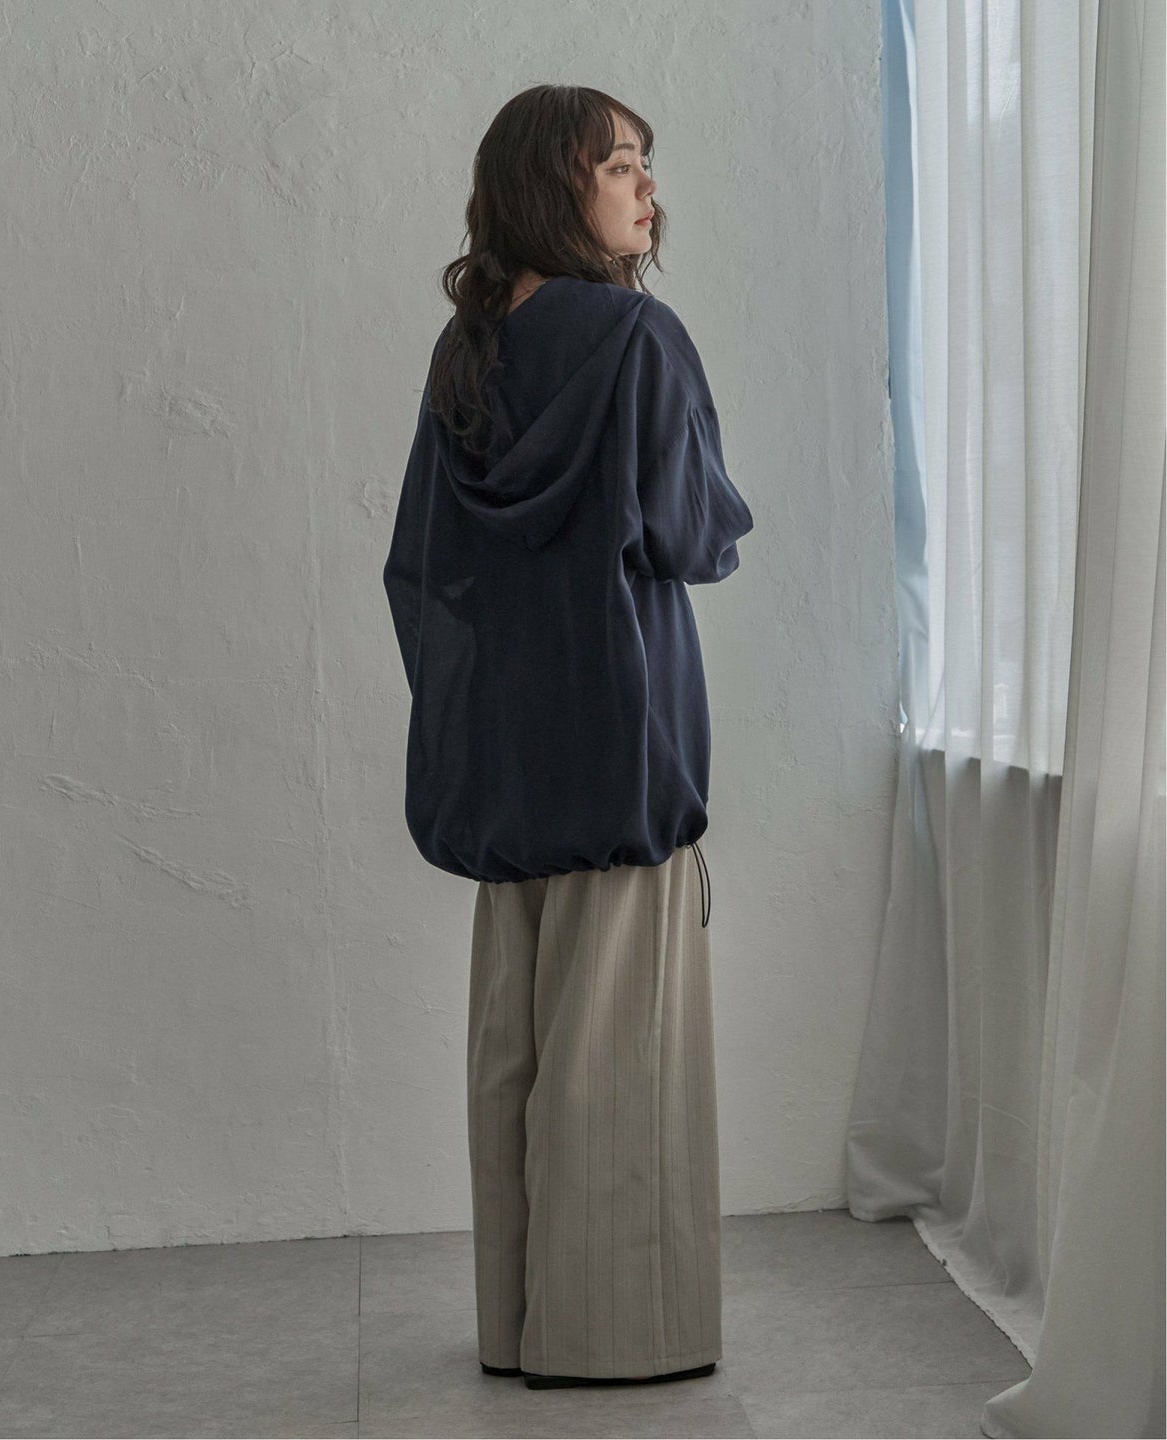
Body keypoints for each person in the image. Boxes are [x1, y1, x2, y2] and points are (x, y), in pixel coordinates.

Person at [382, 84, 754, 1390]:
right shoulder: (638, 339)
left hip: (505, 753)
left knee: (519, 1049)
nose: (649, 192)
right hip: (623, 740)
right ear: (559, 184)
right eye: (624, 167)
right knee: (622, 1048)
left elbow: (423, 565)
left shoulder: (467, 350)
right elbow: (695, 536)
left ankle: (518, 1323)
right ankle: (608, 1339)